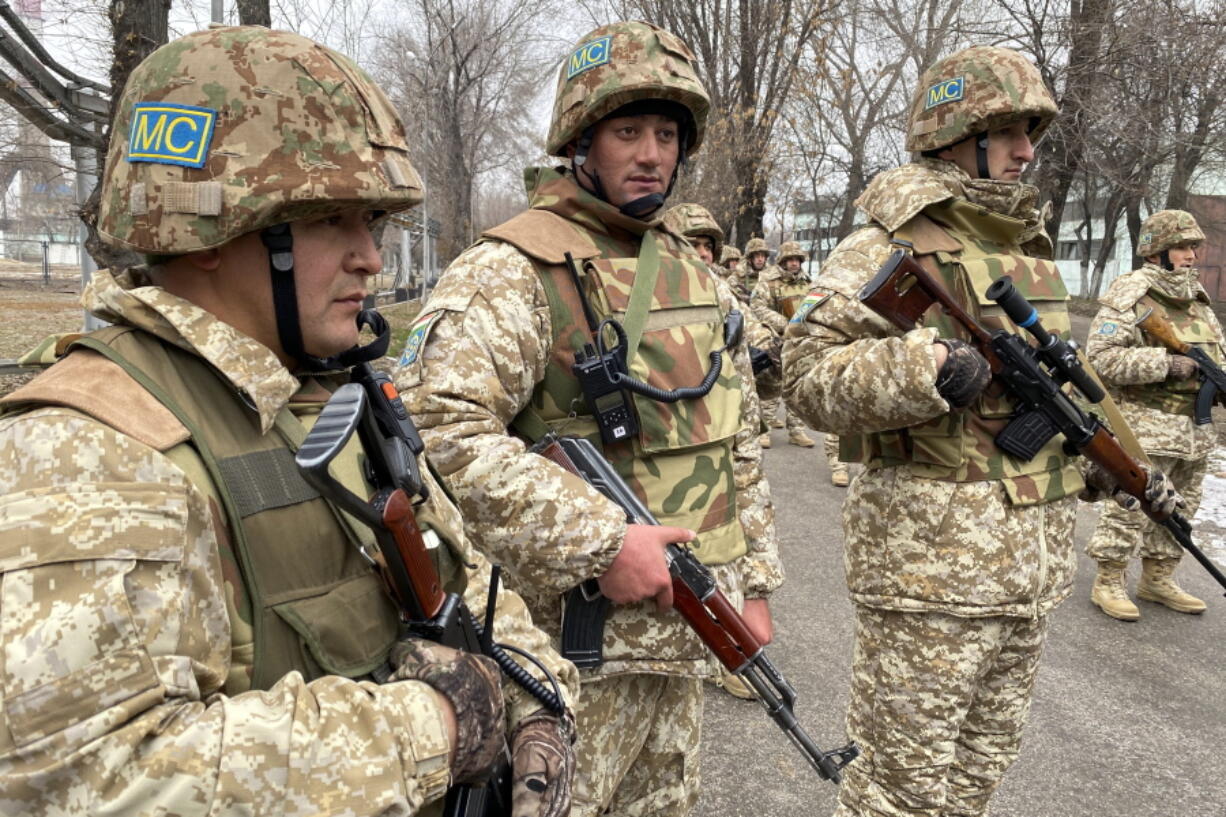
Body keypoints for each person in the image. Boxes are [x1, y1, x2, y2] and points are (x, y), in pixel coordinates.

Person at [0, 27, 577, 817]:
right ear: (209, 232)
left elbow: (460, 583)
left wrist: (534, 700)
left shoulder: (323, 390)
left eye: (372, 220)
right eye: (331, 220)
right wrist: (436, 724)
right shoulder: (92, 446)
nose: (371, 256)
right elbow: (94, 775)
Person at [784, 45, 1182, 817]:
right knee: (895, 797)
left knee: (973, 787)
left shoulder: (1024, 251)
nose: (1026, 150)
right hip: (926, 580)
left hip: (1027, 585)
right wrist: (925, 368)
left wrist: (1109, 467)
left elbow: (1056, 407)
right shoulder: (888, 242)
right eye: (1005, 132)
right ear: (951, 134)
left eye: (1030, 132)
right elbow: (803, 371)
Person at [399, 21, 782, 817]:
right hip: (568, 653)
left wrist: (757, 584)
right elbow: (438, 437)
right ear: (581, 141)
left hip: (679, 640)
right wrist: (601, 541)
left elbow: (737, 436)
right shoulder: (512, 270)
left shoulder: (695, 274)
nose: (651, 153)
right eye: (627, 131)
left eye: (667, 134)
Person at [1085, 209, 1220, 620]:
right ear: (1157, 251)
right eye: (1182, 247)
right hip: (1146, 428)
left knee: (1181, 509)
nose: (1191, 255)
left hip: (1194, 434)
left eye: (1194, 247)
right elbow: (1100, 358)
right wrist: (1165, 363)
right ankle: (1108, 580)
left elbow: (1214, 351)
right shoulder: (1134, 294)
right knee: (1132, 506)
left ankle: (1157, 578)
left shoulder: (1196, 299)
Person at [751, 240, 816, 449]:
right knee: (772, 384)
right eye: (790, 260)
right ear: (782, 261)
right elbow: (757, 306)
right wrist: (783, 324)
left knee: (798, 385)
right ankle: (765, 428)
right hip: (777, 339)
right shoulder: (769, 281)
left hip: (802, 340)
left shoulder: (808, 283)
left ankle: (796, 430)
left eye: (797, 259)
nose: (794, 263)